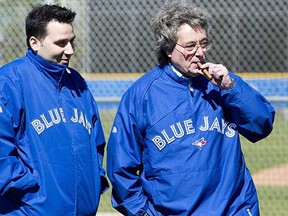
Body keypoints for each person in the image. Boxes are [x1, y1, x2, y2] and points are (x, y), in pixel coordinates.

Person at [107, 1, 275, 215]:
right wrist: (143, 212)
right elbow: (121, 168)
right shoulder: (141, 95)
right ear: (168, 49)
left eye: (204, 43)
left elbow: (262, 126)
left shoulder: (221, 84)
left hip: (233, 209)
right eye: (190, 46)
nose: (200, 52)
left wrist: (231, 87)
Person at [0, 4, 108, 215]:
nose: (70, 50)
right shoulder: (10, 82)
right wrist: (33, 193)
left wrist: (95, 181)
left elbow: (96, 143)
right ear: (35, 43)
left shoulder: (77, 82)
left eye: (71, 41)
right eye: (61, 43)